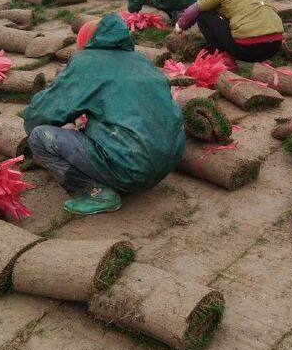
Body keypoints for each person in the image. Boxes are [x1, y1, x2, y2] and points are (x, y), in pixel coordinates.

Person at [24, 15, 186, 216]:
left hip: (132, 165)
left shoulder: (86, 63)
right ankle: (126, 169)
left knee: (40, 137)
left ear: (86, 43)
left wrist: (32, 139)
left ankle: (94, 193)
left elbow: (43, 113)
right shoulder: (141, 61)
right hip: (169, 162)